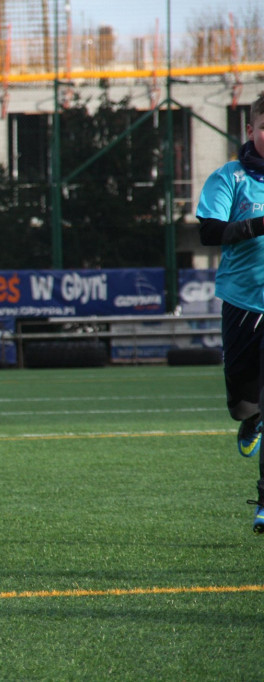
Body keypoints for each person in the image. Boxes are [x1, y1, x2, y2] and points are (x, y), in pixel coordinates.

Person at [197, 90, 264, 534]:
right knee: (243, 403)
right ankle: (251, 417)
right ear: (251, 131)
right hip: (245, 306)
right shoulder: (231, 178)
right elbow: (209, 233)